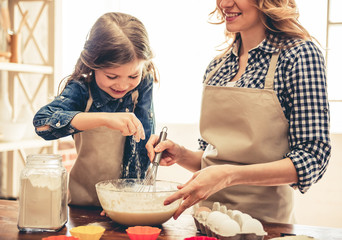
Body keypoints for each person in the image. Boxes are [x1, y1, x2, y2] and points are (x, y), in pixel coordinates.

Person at [146, 0, 330, 224]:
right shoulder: (217, 67)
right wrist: (182, 155)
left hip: (265, 225)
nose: (224, 3)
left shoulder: (298, 56)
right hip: (207, 221)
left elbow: (312, 158)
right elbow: (212, 158)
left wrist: (228, 175)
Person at [33, 12, 158, 206]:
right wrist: (105, 119)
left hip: (128, 200)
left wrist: (129, 195)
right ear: (93, 64)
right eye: (112, 77)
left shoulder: (144, 84)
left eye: (133, 76)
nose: (123, 85)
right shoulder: (82, 87)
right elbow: (42, 124)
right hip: (85, 199)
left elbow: (141, 146)